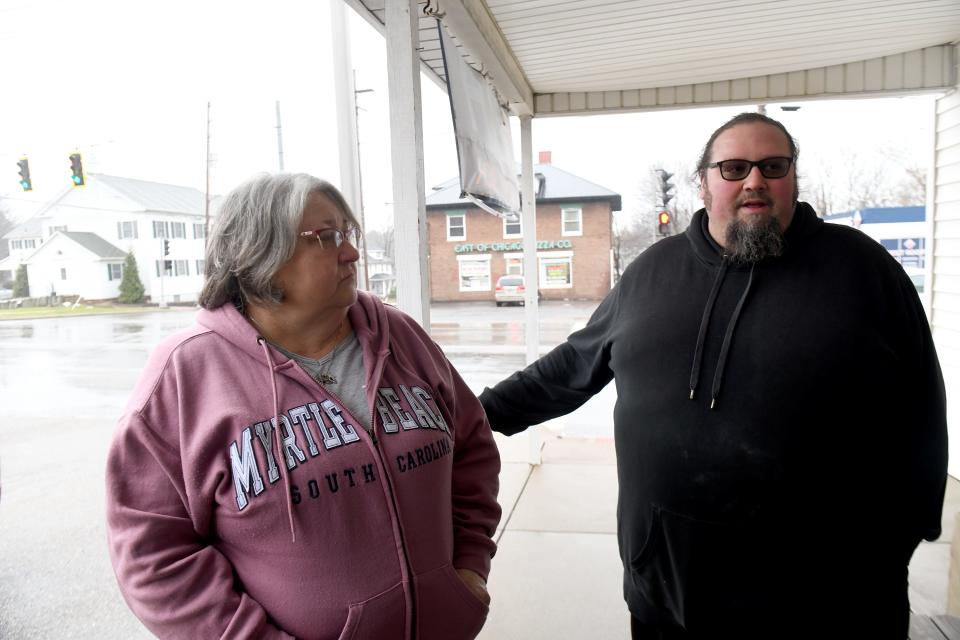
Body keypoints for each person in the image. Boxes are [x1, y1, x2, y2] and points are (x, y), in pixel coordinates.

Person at [480, 113, 947, 638]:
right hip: (668, 591)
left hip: (828, 598)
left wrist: (908, 533)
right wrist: (471, 414)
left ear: (792, 178)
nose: (754, 181)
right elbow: (571, 367)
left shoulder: (862, 270)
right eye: (734, 167)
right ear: (703, 183)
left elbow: (921, 408)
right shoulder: (652, 272)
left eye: (773, 166)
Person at [106, 173, 501, 640]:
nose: (352, 252)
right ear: (261, 257)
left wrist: (470, 569)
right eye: (327, 237)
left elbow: (471, 448)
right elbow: (154, 555)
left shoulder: (402, 338)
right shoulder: (184, 377)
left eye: (347, 234)